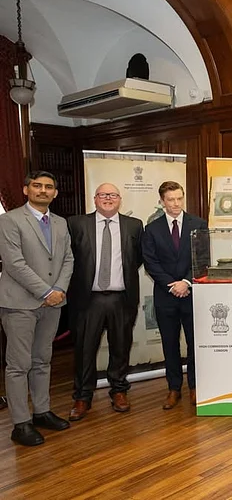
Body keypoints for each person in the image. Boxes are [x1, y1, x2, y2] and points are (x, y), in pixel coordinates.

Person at [0, 171, 74, 446]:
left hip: (53, 302)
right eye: (37, 185)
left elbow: (68, 259)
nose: (43, 190)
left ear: (55, 193)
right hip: (20, 303)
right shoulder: (9, 220)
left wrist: (59, 290)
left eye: (48, 187)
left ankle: (42, 411)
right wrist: (46, 291)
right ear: (26, 189)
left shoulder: (60, 223)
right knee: (19, 365)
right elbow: (14, 263)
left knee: (42, 360)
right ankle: (21, 424)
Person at [66, 183, 143, 421]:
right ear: (95, 199)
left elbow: (137, 258)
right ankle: (82, 397)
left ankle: (119, 391)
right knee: (85, 349)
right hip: (88, 299)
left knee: (121, 347)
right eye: (103, 195)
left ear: (120, 199)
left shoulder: (134, 225)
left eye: (112, 195)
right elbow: (69, 258)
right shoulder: (77, 224)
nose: (108, 198)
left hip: (122, 298)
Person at [141, 181, 207, 409]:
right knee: (169, 344)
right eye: (171, 199)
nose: (176, 203)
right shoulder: (152, 229)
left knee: (194, 343)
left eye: (179, 198)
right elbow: (150, 263)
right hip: (165, 295)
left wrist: (186, 282)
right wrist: (172, 285)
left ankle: (195, 386)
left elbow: (203, 258)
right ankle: (174, 389)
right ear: (162, 201)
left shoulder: (198, 224)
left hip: (192, 293)